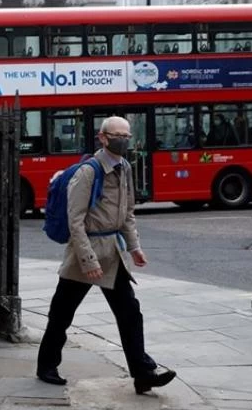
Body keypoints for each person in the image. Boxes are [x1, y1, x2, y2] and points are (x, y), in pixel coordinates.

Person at [36, 116, 176, 395]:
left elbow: (127, 213)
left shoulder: (125, 167)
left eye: (127, 134)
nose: (123, 139)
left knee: (130, 313)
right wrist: (87, 261)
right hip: (85, 252)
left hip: (113, 251)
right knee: (62, 313)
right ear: (103, 138)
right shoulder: (88, 172)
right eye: (117, 135)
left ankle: (143, 373)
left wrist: (134, 247)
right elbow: (75, 221)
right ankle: (46, 366)